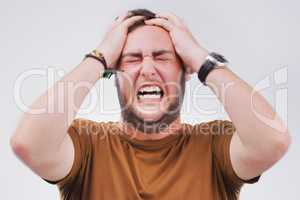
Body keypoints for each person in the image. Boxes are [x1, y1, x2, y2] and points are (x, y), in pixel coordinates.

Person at [10, 9, 291, 200]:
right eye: (132, 59)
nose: (147, 69)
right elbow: (28, 144)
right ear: (113, 74)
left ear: (186, 71)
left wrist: (200, 57)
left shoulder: (215, 146)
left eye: (162, 57)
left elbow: (272, 141)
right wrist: (99, 57)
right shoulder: (87, 146)